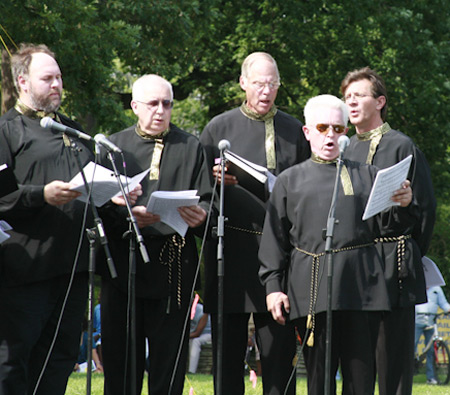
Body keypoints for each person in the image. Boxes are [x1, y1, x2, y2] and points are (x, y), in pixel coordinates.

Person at [259, 94, 414, 395]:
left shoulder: (368, 175)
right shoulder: (289, 180)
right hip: (312, 290)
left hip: (361, 290)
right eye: (322, 127)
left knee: (361, 379)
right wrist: (273, 287)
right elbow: (274, 241)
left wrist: (404, 204)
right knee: (320, 379)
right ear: (307, 131)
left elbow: (391, 228)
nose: (330, 135)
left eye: (338, 129)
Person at [199, 51, 310, 394]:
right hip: (230, 253)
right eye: (259, 83)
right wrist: (215, 181)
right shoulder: (219, 128)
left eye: (272, 83)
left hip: (280, 258)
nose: (266, 91)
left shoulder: (296, 130)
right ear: (243, 83)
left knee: (278, 359)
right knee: (227, 362)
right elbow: (199, 194)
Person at [97, 74, 214, 395]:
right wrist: (126, 215)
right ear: (135, 106)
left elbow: (207, 200)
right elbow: (98, 205)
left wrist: (202, 213)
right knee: (121, 366)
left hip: (173, 268)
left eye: (167, 104)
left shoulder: (190, 146)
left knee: (168, 366)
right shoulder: (113, 147)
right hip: (123, 267)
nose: (161, 111)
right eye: (152, 104)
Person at [0, 43, 94, 395]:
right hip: (24, 270)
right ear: (23, 81)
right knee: (14, 360)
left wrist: (115, 196)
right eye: (48, 78)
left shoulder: (73, 132)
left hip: (72, 268)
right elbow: (2, 196)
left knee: (61, 358)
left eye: (59, 77)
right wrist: (41, 195)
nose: (57, 84)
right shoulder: (7, 131)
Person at [340, 67, 436, 395]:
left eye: (359, 96)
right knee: (356, 362)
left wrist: (403, 243)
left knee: (392, 361)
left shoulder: (402, 146)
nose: (351, 103)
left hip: (394, 264)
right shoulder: (345, 149)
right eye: (347, 97)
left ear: (380, 101)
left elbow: (425, 213)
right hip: (354, 265)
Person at [415, 286, 450, 385]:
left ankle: (430, 377)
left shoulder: (436, 289)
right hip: (418, 319)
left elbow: (443, 303)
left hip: (431, 319)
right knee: (412, 345)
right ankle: (409, 371)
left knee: (431, 351)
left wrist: (448, 309)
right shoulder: (417, 285)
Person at [188, 302, 212, 374]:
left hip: (208, 333)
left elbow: (197, 333)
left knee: (195, 341)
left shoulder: (201, 311)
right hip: (194, 334)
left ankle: (192, 371)